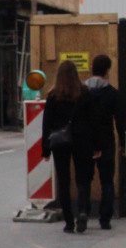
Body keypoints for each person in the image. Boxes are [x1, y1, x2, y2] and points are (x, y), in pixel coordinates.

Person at [42, 59, 102, 233]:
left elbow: (46, 124)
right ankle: (82, 210)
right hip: (82, 140)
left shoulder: (53, 95)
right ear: (76, 75)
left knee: (64, 181)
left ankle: (69, 222)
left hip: (60, 142)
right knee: (83, 178)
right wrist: (97, 145)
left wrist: (45, 149)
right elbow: (93, 121)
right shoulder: (84, 93)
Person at [86, 54, 122, 229]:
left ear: (92, 68)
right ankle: (105, 219)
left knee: (85, 178)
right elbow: (120, 120)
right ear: (107, 70)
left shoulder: (83, 92)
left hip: (86, 141)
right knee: (107, 180)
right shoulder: (113, 94)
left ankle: (83, 212)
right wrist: (123, 142)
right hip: (106, 140)